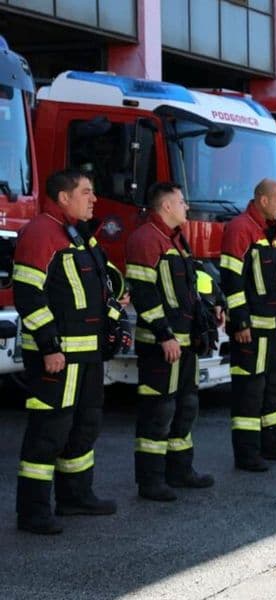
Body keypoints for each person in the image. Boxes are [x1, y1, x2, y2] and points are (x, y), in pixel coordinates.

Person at [12, 169, 119, 534]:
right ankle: (33, 512)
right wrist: (49, 345)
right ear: (63, 197)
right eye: (86, 192)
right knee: (49, 433)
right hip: (58, 358)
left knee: (84, 427)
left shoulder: (78, 236)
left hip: (87, 357)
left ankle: (75, 497)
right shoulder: (42, 232)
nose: (93, 199)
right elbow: (28, 294)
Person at [125, 182, 216, 501]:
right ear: (165, 206)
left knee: (185, 406)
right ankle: (151, 481)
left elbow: (187, 289)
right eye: (181, 202)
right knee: (158, 411)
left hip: (184, 341)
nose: (186, 207)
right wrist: (164, 335)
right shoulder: (147, 239)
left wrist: (207, 312)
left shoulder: (175, 240)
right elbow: (143, 292)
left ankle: (180, 470)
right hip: (160, 344)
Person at [220, 179, 276, 471]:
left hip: (274, 327)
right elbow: (231, 278)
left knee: (273, 387)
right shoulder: (241, 228)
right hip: (252, 329)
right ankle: (247, 454)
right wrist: (240, 321)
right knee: (249, 392)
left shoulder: (271, 231)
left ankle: (272, 444)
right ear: (263, 201)